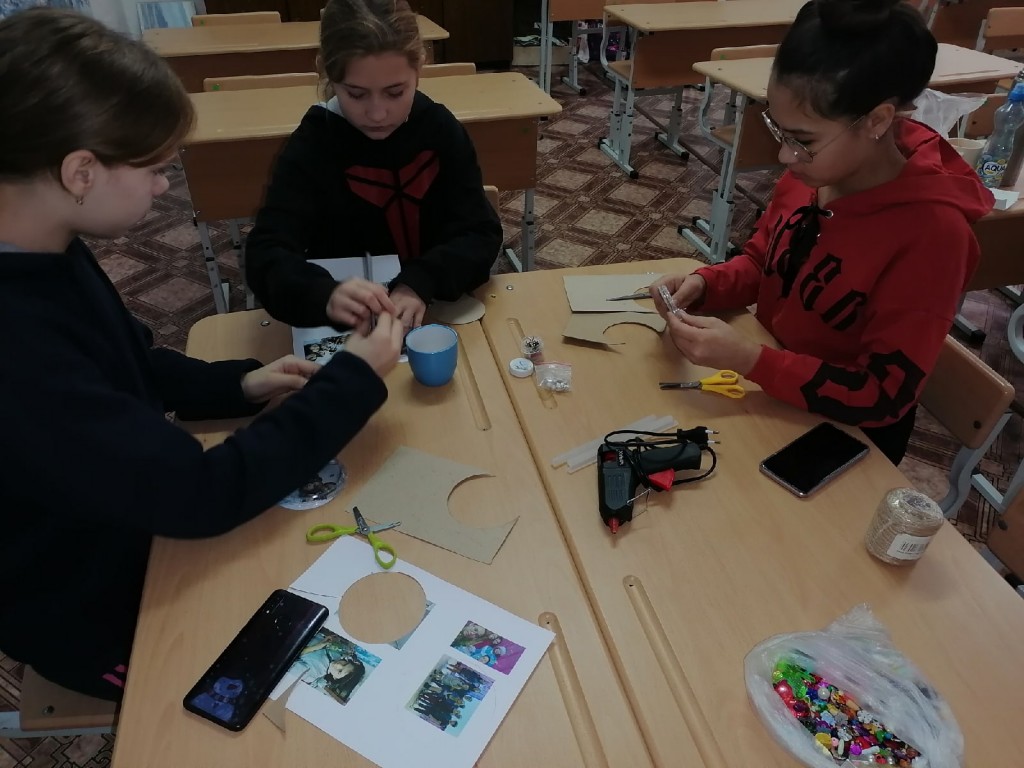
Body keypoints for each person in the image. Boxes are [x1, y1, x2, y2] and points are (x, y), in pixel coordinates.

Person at [0, 8, 404, 702]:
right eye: (156, 169)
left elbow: (126, 365)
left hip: (131, 518)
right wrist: (353, 378)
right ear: (80, 171)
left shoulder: (44, 246)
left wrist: (237, 386)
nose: (165, 187)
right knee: (309, 670)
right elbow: (199, 495)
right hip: (94, 611)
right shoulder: (17, 346)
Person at [652, 0, 993, 465]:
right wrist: (706, 285)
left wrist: (751, 360)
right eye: (778, 129)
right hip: (772, 395)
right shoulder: (816, 172)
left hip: (848, 436)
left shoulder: (933, 236)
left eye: (804, 140)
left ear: (877, 120)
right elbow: (763, 264)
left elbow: (882, 394)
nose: (784, 156)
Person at [245, 0, 502, 332]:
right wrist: (324, 294)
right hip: (348, 326)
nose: (377, 114)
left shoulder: (439, 129)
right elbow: (267, 252)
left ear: (420, 67)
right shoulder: (312, 145)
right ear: (327, 72)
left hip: (435, 312)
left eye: (395, 93)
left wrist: (422, 280)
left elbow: (480, 233)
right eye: (356, 94)